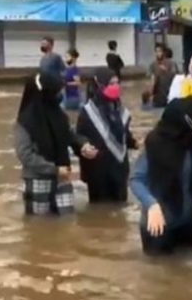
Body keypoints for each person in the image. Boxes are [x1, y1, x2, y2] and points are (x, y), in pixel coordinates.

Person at [129, 96, 192, 255]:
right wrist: (152, 205)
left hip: (186, 222)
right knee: (160, 270)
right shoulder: (154, 143)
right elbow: (136, 180)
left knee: (188, 267)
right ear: (188, 121)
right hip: (158, 223)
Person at [14, 72, 98, 215]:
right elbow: (25, 155)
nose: (60, 95)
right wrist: (54, 169)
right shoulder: (24, 122)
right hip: (37, 179)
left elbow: (69, 135)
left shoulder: (59, 115)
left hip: (63, 177)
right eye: (57, 91)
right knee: (38, 223)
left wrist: (83, 145)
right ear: (47, 94)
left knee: (67, 219)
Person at [76, 68, 138, 203]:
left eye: (117, 83)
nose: (115, 87)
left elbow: (123, 135)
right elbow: (78, 135)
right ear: (100, 85)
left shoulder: (120, 110)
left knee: (120, 208)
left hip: (119, 169)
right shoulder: (88, 112)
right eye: (111, 83)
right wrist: (84, 145)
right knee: (100, 210)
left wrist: (134, 142)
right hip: (98, 171)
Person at [148, 44, 178, 108]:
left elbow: (176, 77)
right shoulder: (153, 65)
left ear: (164, 52)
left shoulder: (171, 63)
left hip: (170, 94)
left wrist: (166, 70)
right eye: (156, 51)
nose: (158, 53)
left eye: (160, 51)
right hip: (158, 96)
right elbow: (152, 81)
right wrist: (151, 93)